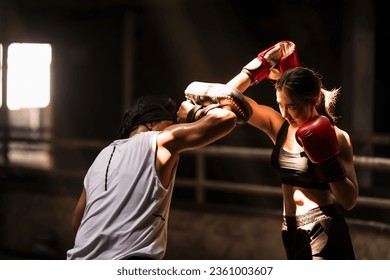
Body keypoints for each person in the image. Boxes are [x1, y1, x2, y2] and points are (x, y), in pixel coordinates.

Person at [66, 91, 251, 259]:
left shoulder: (102, 156)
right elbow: (226, 118)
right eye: (170, 125)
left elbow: (78, 223)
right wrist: (193, 113)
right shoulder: (158, 141)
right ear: (151, 123)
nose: (174, 127)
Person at [223, 41, 359, 259]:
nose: (285, 112)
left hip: (323, 227)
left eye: (292, 106)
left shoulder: (337, 136)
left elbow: (349, 201)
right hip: (289, 230)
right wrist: (258, 67)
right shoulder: (278, 127)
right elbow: (226, 98)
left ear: (313, 100)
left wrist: (328, 163)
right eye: (280, 104)